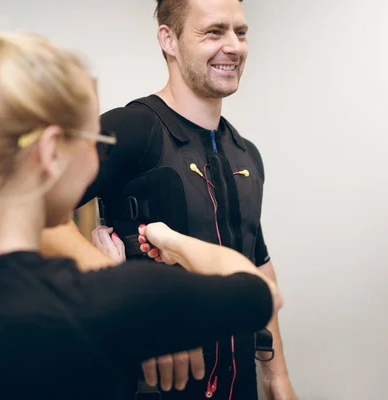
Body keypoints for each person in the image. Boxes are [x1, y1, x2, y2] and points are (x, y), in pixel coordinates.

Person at [0, 10, 282, 400]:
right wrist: (169, 240)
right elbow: (259, 293)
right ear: (50, 154)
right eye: (93, 141)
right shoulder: (102, 303)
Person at [41, 0, 298, 399]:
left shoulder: (245, 153)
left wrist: (276, 378)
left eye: (240, 32)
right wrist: (127, 290)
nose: (234, 46)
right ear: (169, 39)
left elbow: (258, 264)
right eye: (214, 32)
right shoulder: (131, 128)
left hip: (237, 383)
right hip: (152, 384)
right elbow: (35, 215)